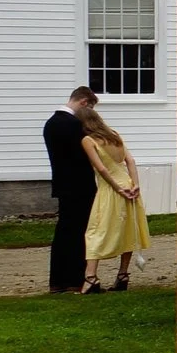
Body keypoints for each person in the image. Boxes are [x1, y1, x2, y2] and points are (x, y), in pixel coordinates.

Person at [78, 107, 149, 293]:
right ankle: (123, 274)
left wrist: (117, 188)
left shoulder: (88, 140)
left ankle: (91, 277)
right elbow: (130, 161)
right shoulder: (114, 135)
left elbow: (101, 168)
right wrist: (135, 184)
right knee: (128, 230)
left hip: (110, 189)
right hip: (128, 184)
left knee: (96, 230)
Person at [43, 86, 97, 294]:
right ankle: (76, 278)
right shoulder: (75, 125)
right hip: (80, 185)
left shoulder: (51, 123)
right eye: (90, 108)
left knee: (63, 231)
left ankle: (57, 280)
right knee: (81, 233)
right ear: (84, 103)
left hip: (62, 184)